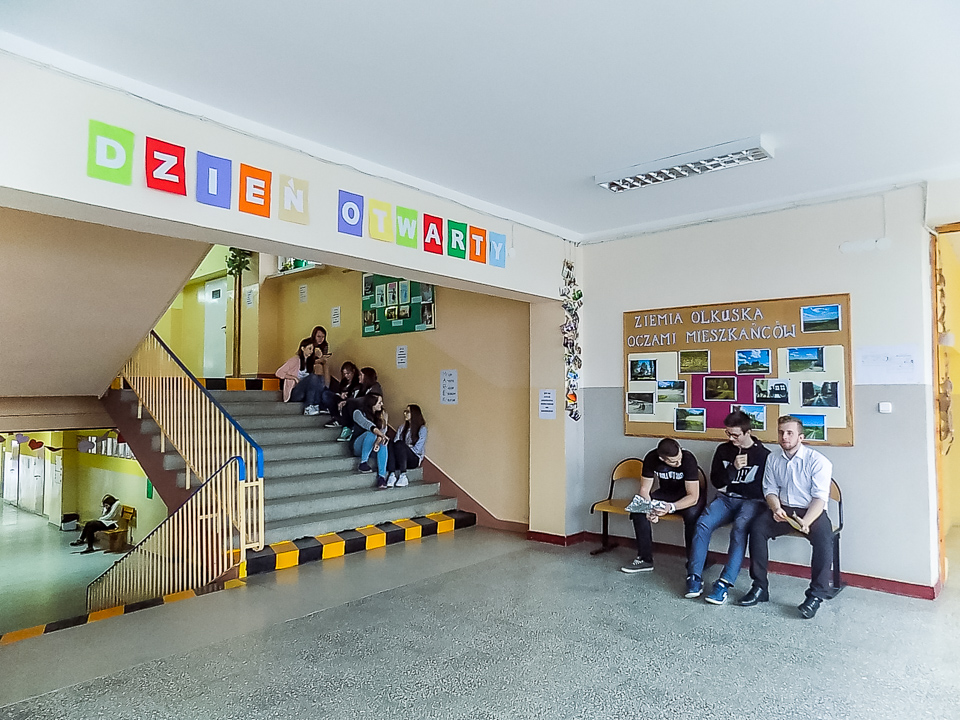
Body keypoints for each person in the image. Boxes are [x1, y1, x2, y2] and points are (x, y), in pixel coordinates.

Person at [739, 415, 834, 619]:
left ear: (801, 437)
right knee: (757, 529)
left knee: (825, 539)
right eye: (781, 432)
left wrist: (806, 522)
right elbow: (770, 490)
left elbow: (820, 498)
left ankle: (816, 595)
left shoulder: (818, 461)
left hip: (810, 511)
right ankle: (760, 587)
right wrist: (775, 508)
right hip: (783, 510)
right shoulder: (773, 458)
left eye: (790, 433)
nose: (784, 437)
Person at [684, 410, 770, 604]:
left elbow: (761, 489)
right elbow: (716, 481)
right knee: (703, 523)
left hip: (751, 502)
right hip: (725, 498)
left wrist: (734, 485)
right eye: (728, 433)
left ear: (747, 432)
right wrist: (732, 469)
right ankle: (694, 576)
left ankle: (724, 583)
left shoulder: (763, 455)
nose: (731, 438)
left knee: (740, 529)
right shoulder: (723, 450)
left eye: (736, 435)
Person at [621, 438, 703, 574]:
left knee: (692, 515)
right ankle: (645, 559)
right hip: (666, 493)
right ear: (662, 459)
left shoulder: (688, 459)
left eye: (679, 458)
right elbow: (644, 489)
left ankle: (695, 561)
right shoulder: (651, 458)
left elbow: (693, 497)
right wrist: (649, 509)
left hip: (687, 496)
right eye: (674, 461)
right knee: (638, 511)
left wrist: (670, 507)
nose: (679, 463)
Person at [275, 338, 324, 415]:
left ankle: (316, 405)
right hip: (294, 393)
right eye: (309, 349)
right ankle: (308, 407)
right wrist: (294, 378)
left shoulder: (310, 362)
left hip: (305, 392)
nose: (311, 351)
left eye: (312, 349)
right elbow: (278, 373)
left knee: (319, 378)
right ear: (303, 348)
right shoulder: (295, 360)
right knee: (313, 377)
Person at [351, 393, 389, 488]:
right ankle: (363, 463)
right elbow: (368, 425)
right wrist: (380, 435)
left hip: (372, 446)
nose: (382, 404)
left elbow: (383, 432)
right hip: (358, 446)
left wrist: (378, 441)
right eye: (379, 402)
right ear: (372, 403)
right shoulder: (358, 412)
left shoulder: (381, 414)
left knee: (383, 444)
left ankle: (381, 477)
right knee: (371, 433)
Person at [335, 366, 383, 442]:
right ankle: (347, 428)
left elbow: (366, 400)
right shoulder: (361, 387)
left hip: (370, 415)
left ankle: (348, 428)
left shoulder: (375, 387)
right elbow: (355, 397)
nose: (358, 376)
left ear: (366, 377)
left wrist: (348, 401)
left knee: (350, 404)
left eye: (361, 375)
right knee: (345, 403)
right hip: (360, 413)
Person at [386, 404, 427, 488]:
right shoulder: (402, 428)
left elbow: (417, 449)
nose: (405, 414)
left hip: (413, 459)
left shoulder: (422, 429)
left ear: (414, 414)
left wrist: (405, 448)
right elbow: (396, 442)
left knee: (401, 444)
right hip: (400, 459)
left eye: (407, 412)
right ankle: (392, 475)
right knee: (391, 443)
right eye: (405, 411)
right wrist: (405, 447)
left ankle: (403, 475)